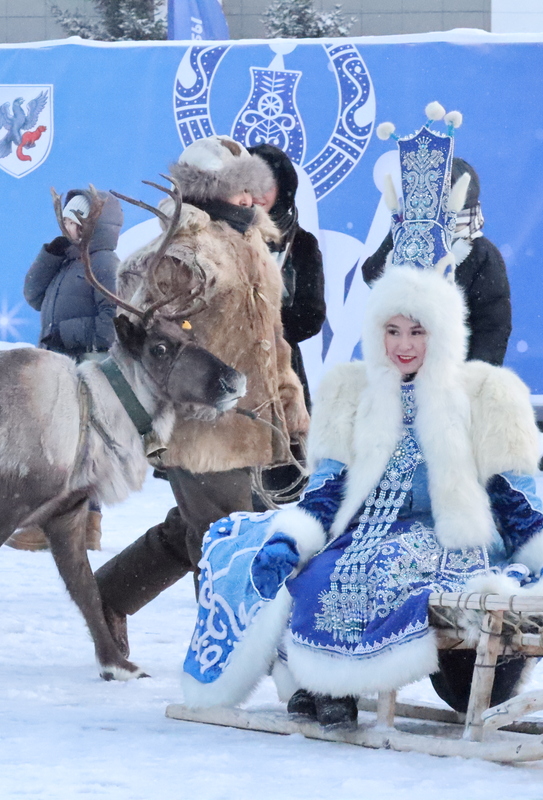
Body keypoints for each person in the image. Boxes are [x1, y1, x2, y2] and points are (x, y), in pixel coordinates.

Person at [180, 264, 543, 727]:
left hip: (451, 539)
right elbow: (328, 488)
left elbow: (513, 494)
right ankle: (318, 684)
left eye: (417, 331)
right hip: (362, 529)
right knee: (292, 559)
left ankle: (341, 679)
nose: (404, 345)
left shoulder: (485, 393)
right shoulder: (351, 391)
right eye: (392, 331)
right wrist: (293, 538)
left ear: (444, 333)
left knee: (386, 567)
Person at [95, 135, 310, 652]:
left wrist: (289, 404)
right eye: (239, 190)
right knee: (224, 537)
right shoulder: (185, 247)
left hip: (254, 417)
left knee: (201, 526)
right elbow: (140, 321)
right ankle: (226, 651)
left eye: (253, 190)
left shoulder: (253, 242)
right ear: (210, 190)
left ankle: (105, 595)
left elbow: (270, 340)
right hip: (198, 420)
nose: (250, 199)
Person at [7, 189, 124, 552]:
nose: (70, 228)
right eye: (67, 222)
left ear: (96, 224)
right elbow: (34, 296)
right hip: (61, 367)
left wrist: (63, 334)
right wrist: (51, 254)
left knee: (72, 451)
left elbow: (112, 327)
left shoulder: (105, 263)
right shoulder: (69, 262)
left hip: (84, 370)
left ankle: (55, 526)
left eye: (77, 223)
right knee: (71, 450)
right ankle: (86, 525)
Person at [361, 157, 512, 366]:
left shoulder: (480, 253)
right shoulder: (406, 236)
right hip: (399, 365)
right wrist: (399, 235)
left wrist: (475, 374)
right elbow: (372, 274)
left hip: (452, 370)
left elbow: (492, 324)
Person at [247, 143, 326, 504]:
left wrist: (268, 330)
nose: (259, 194)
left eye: (268, 184)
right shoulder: (220, 239)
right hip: (223, 369)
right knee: (222, 489)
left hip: (281, 370)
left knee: (281, 485)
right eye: (250, 183)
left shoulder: (302, 245)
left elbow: (312, 315)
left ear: (284, 188)